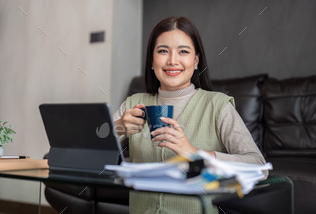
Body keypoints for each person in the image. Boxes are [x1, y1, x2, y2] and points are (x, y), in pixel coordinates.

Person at [113, 16, 267, 214]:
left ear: (196, 61)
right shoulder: (133, 104)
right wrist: (118, 127)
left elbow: (259, 167)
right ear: (152, 60)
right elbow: (84, 156)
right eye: (162, 51)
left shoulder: (217, 106)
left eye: (183, 51)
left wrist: (197, 154)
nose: (172, 60)